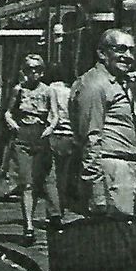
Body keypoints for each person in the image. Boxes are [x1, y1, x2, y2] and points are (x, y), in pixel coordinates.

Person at [62, 29, 136, 271]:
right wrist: (96, 190)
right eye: (121, 50)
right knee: (116, 250)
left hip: (124, 170)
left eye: (131, 50)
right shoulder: (94, 85)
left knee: (108, 249)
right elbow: (90, 140)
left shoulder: (119, 84)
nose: (128, 55)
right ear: (102, 53)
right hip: (109, 170)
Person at [4, 54, 62, 244]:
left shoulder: (48, 91)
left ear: (42, 71)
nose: (33, 73)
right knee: (27, 184)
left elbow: (54, 115)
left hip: (41, 136)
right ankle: (28, 226)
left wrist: (50, 129)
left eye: (37, 69)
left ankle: (53, 215)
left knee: (43, 180)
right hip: (23, 136)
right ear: (24, 71)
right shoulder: (18, 90)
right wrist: (13, 124)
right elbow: (8, 111)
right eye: (30, 69)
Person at [47, 70, 78, 215]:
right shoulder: (72, 90)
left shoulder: (50, 89)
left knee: (51, 176)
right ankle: (62, 204)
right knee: (64, 175)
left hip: (54, 134)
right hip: (70, 136)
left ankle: (54, 211)